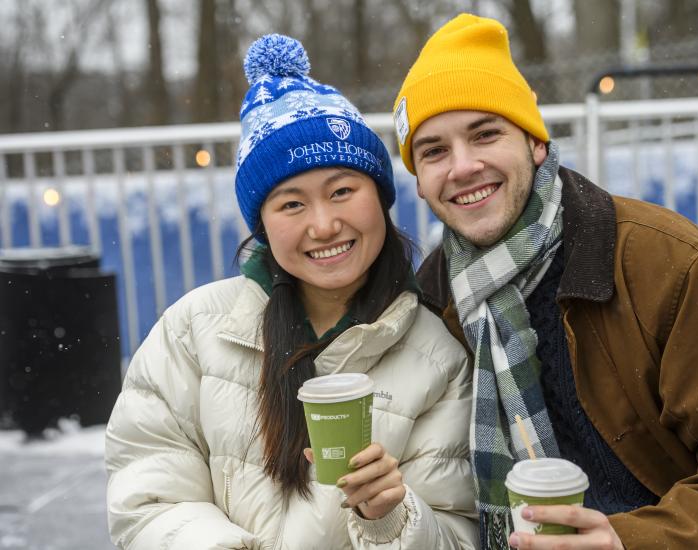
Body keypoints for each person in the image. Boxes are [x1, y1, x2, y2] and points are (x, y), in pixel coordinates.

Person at [392, 13, 698, 550]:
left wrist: (628, 541)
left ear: (536, 144)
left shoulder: (665, 262)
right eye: (434, 150)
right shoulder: (434, 302)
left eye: (485, 134)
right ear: (419, 177)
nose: (463, 166)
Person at [105, 34, 479, 550]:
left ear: (381, 198)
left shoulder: (439, 357)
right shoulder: (193, 329)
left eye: (342, 191)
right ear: (262, 223)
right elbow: (147, 497)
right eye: (291, 204)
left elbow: (458, 534)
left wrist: (393, 517)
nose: (324, 225)